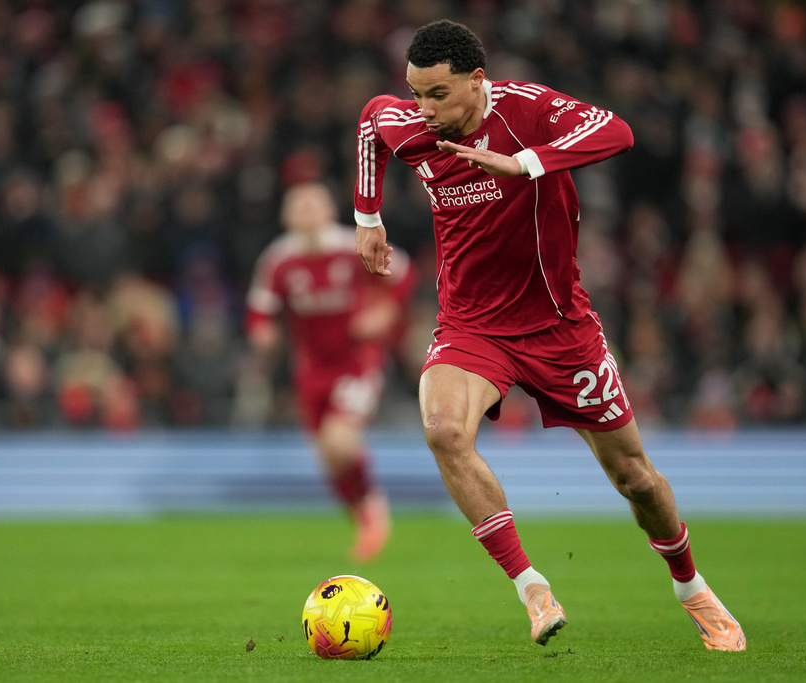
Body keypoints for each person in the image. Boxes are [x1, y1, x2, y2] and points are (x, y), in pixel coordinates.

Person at [354, 20, 746, 650]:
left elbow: (617, 131)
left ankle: (690, 585)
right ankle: (531, 585)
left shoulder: (528, 111)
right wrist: (366, 216)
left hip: (561, 328)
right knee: (443, 429)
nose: (423, 110)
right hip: (472, 325)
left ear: (477, 82)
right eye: (416, 93)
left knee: (636, 481)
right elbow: (373, 121)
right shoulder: (409, 124)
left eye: (438, 95)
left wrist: (526, 164)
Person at [245, 181, 416, 563]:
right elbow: (259, 308)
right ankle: (364, 518)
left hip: (357, 361)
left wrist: (384, 313)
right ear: (286, 216)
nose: (306, 210)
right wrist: (263, 332)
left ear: (329, 211)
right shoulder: (278, 260)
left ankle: (375, 509)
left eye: (313, 203)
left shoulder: (350, 245)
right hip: (310, 370)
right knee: (328, 457)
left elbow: (403, 274)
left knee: (340, 441)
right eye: (298, 204)